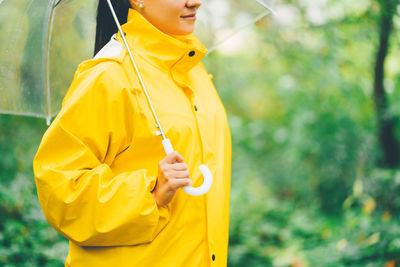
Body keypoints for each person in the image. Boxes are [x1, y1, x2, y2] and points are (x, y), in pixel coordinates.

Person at [33, 0, 232, 266]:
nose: (195, 1)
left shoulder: (194, 71)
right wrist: (151, 193)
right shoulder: (109, 75)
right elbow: (62, 191)